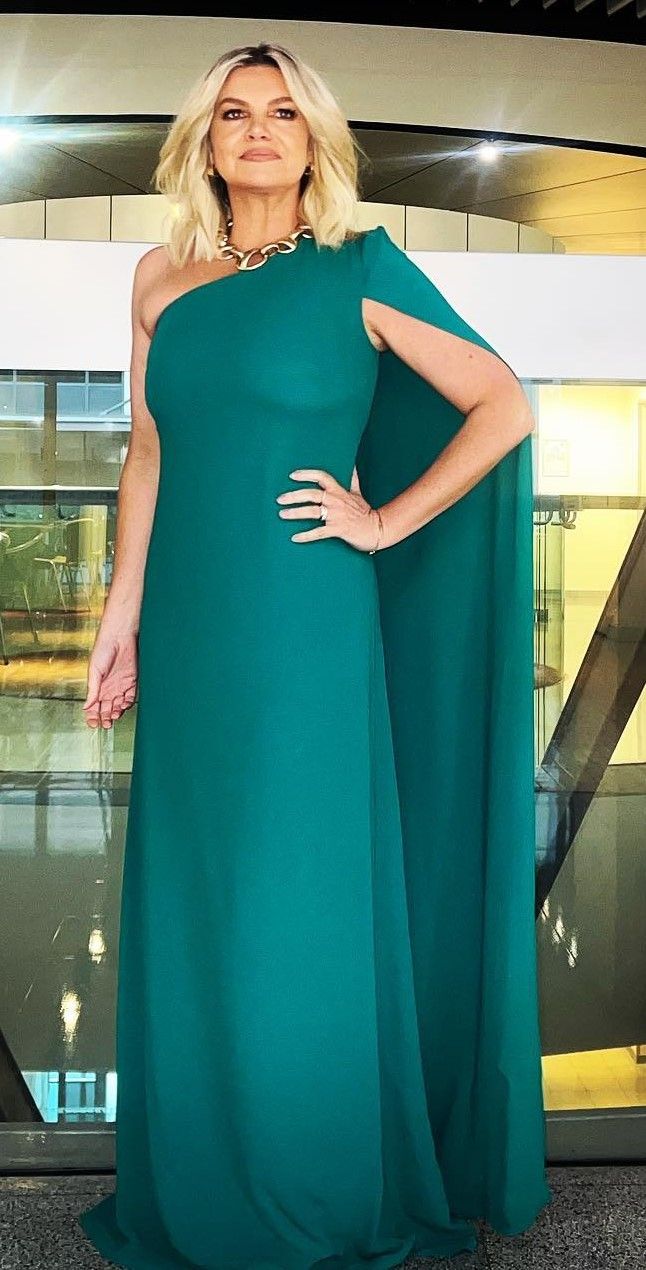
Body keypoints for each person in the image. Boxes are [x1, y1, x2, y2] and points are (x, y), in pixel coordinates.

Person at [78, 39, 552, 1270]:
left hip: (304, 625)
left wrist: (384, 520)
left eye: (283, 113)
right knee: (205, 890)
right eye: (235, 112)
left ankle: (311, 1184)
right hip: (192, 625)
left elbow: (503, 404)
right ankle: (203, 1176)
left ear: (315, 140)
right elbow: (148, 452)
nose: (257, 130)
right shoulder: (157, 278)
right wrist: (122, 614)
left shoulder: (360, 265)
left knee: (295, 891)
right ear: (204, 139)